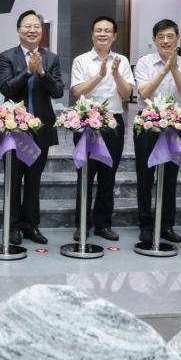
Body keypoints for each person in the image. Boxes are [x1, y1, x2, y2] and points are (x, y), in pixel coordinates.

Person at [0, 10, 63, 245]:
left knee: (34, 180)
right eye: (27, 26)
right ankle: (12, 226)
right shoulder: (7, 57)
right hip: (14, 129)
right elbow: (6, 89)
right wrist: (27, 72)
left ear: (41, 31)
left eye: (36, 26)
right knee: (13, 179)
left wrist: (42, 72)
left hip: (41, 129)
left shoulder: (51, 58)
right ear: (18, 30)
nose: (32, 30)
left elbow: (58, 91)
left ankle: (31, 225)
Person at [70, 16, 133, 242]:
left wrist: (115, 74)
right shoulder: (81, 60)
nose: (102, 34)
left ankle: (103, 224)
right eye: (98, 30)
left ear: (114, 36)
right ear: (92, 34)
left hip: (113, 123)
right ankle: (82, 224)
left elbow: (127, 94)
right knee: (85, 176)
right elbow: (77, 92)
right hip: (87, 123)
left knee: (108, 176)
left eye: (107, 31)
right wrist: (100, 75)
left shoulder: (122, 61)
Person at [133, 19, 181, 244]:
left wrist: (174, 67)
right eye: (161, 37)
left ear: (178, 38)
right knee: (145, 176)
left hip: (175, 126)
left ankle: (167, 225)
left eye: (170, 36)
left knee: (170, 176)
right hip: (147, 124)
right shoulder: (144, 63)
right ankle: (146, 225)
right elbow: (144, 93)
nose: (166, 41)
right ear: (154, 40)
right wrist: (164, 70)